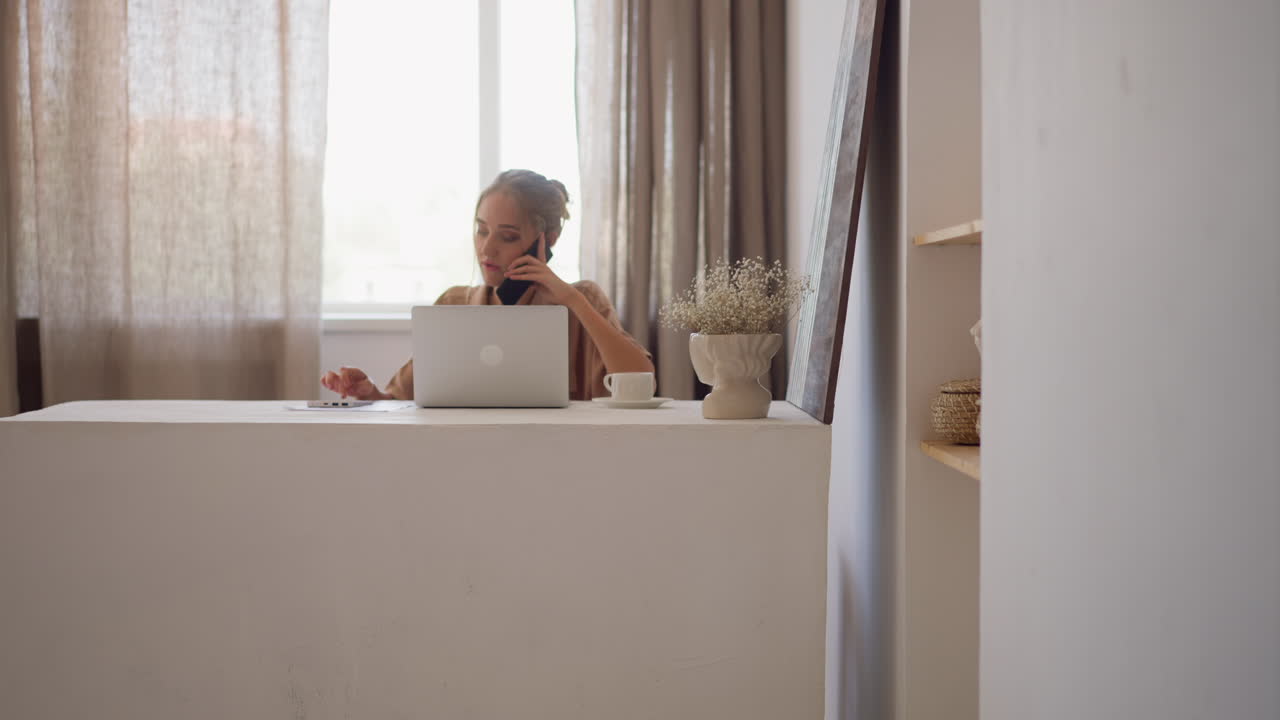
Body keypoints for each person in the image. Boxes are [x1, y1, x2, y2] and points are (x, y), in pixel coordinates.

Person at [321, 169, 654, 402]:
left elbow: (642, 380)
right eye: (482, 231)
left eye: (507, 237)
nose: (487, 249)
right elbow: (402, 400)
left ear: (547, 241)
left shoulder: (583, 300)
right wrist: (371, 394)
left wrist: (572, 300)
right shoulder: (455, 305)